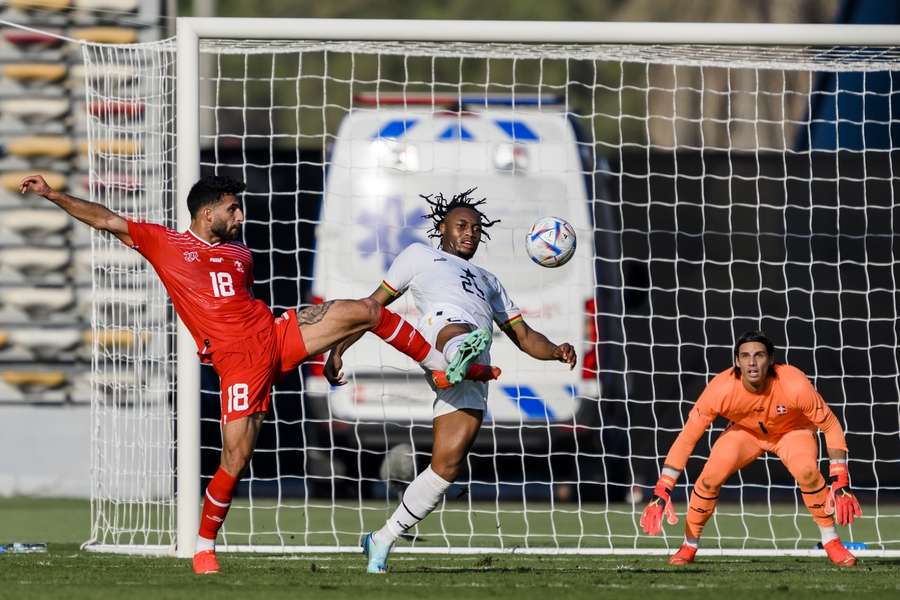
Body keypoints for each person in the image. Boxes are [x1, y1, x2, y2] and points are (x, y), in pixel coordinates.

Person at [19, 174, 495, 575]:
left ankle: (439, 366)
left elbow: (240, 302)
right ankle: (204, 546)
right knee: (236, 458)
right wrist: (52, 194)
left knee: (366, 309)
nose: (241, 216)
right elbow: (106, 219)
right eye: (233, 209)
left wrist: (322, 344)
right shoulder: (164, 244)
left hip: (276, 332)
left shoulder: (239, 252)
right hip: (238, 362)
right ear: (207, 213)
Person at [323, 189, 577, 573]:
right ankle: (459, 352)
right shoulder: (419, 256)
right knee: (452, 324)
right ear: (442, 229)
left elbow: (525, 338)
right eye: (462, 225)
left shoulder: (490, 281)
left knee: (446, 466)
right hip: (440, 334)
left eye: (476, 229)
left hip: (473, 372)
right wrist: (338, 349)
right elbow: (371, 307)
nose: (470, 233)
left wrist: (556, 349)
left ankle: (381, 540)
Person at [640, 330, 862, 567]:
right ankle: (689, 545)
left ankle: (831, 541)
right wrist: (662, 488)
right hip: (746, 433)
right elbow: (687, 438)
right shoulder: (721, 389)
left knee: (807, 471)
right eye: (745, 356)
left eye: (759, 355)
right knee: (708, 478)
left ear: (771, 359)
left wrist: (840, 478)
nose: (752, 362)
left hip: (792, 431)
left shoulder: (794, 383)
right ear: (737, 361)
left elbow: (830, 423)